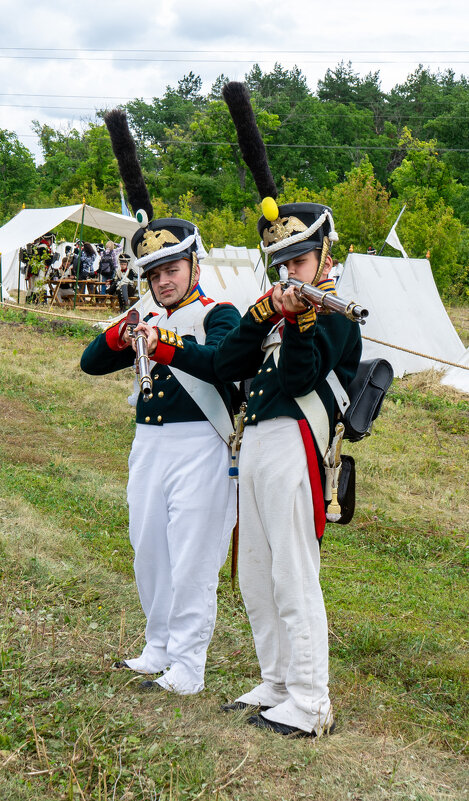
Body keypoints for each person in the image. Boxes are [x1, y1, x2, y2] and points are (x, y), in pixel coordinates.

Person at [81, 110, 241, 695]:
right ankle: (158, 647)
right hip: (148, 443)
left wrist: (167, 344)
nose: (164, 280)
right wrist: (124, 335)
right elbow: (91, 362)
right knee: (149, 547)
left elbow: (222, 363)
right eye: (154, 272)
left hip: (201, 444)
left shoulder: (219, 314)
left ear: (193, 265)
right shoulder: (143, 314)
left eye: (172, 268)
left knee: (193, 556)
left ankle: (190, 665)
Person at [213, 200, 362, 737]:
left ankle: (309, 698)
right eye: (283, 262)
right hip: (253, 442)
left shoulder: (338, 316)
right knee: (255, 575)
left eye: (299, 259)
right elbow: (227, 366)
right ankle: (276, 683)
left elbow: (301, 380)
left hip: (295, 444)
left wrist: (299, 320)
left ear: (325, 256)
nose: (290, 271)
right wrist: (262, 315)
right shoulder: (276, 307)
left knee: (292, 575)